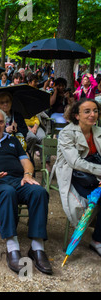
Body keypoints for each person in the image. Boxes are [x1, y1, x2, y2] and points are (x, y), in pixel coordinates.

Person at [0, 108, 52, 275]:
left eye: (1, 122)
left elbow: (26, 161)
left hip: (16, 179)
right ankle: (12, 247)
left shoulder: (13, 141)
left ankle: (37, 247)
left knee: (38, 192)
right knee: (7, 192)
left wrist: (27, 174)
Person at [55, 99, 101, 257]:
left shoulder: (98, 131)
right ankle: (97, 240)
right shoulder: (67, 133)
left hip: (93, 173)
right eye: (87, 111)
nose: (92, 114)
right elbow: (75, 162)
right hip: (74, 174)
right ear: (76, 115)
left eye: (95, 111)